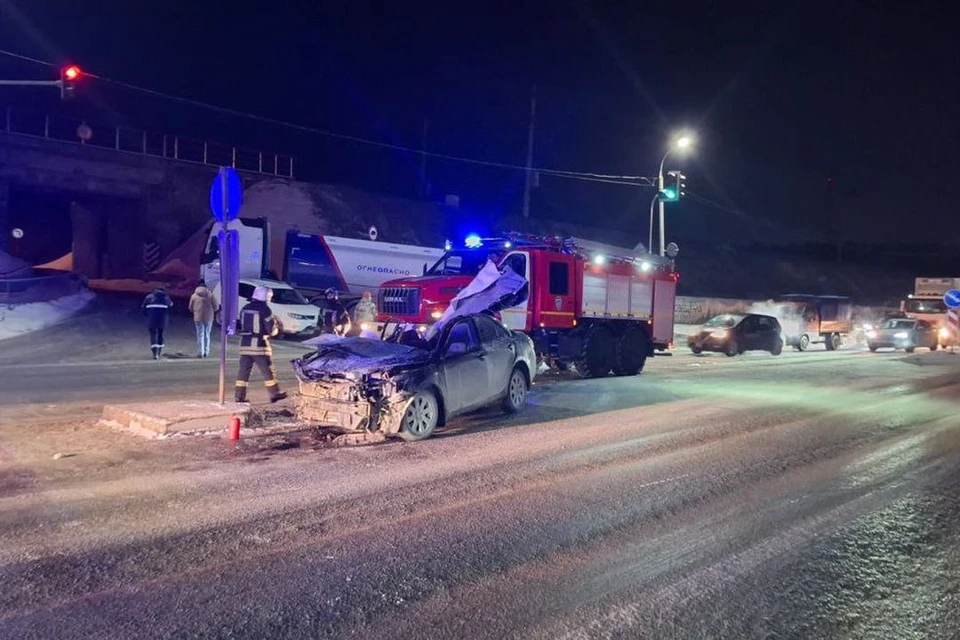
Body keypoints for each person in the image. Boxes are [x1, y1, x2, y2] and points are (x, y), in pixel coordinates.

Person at [234, 286, 287, 403]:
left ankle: (239, 396)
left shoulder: (245, 308)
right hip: (259, 346)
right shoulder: (265, 310)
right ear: (267, 296)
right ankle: (275, 393)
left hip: (245, 345)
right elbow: (270, 330)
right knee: (267, 371)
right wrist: (276, 327)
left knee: (243, 372)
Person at [142, 287, 173, 360]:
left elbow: (143, 308)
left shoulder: (149, 297)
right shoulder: (166, 298)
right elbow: (171, 307)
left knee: (153, 334)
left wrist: (147, 315)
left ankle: (155, 353)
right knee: (160, 334)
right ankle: (159, 352)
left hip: (152, 319)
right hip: (163, 320)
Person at [188, 282, 215, 358]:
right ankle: (206, 351)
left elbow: (190, 307)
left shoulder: (194, 296)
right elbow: (216, 307)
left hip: (198, 318)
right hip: (209, 318)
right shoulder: (211, 295)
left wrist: (196, 311)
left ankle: (201, 352)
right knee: (207, 335)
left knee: (200, 335)